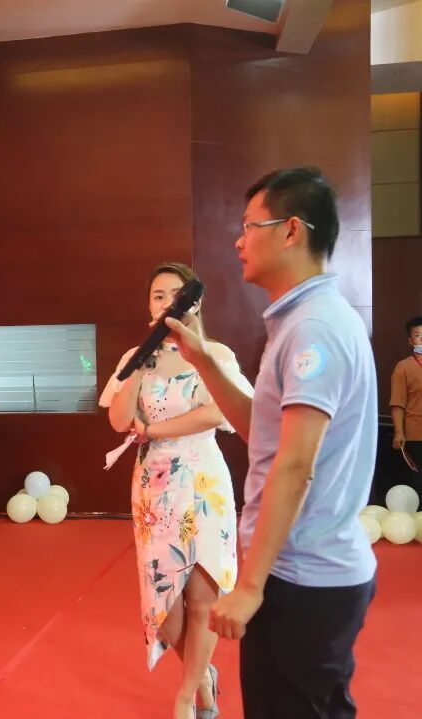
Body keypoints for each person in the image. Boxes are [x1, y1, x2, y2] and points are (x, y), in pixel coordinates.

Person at [165, 168, 377, 719]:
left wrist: (252, 585)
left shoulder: (314, 329)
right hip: (306, 572)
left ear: (291, 231)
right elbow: (263, 429)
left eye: (249, 226)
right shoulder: (302, 320)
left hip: (304, 579)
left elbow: (295, 463)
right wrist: (204, 361)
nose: (238, 241)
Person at [100, 262, 253, 719]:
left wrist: (154, 429)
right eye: (157, 295)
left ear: (194, 302)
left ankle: (188, 697)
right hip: (154, 486)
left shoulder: (214, 354)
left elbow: (216, 414)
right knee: (165, 605)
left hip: (203, 481)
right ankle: (203, 676)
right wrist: (140, 361)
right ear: (149, 305)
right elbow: (118, 419)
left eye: (175, 294)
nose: (166, 302)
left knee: (203, 595)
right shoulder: (136, 356)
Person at [390, 315, 422, 487]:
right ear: (410, 341)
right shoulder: (403, 367)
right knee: (418, 483)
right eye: (418, 335)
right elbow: (397, 403)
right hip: (416, 435)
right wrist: (399, 432)